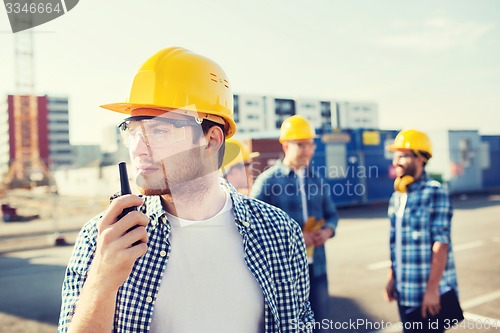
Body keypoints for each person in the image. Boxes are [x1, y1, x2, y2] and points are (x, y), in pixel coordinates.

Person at [58, 47, 314, 333]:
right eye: (132, 131)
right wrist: (102, 280)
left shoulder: (279, 233)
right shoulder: (102, 239)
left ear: (212, 139)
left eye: (158, 131)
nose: (138, 149)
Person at [250, 115, 339, 329]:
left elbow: (332, 215)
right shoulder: (267, 181)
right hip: (283, 272)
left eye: (310, 144)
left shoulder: (317, 179)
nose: (308, 150)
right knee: (287, 326)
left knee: (319, 324)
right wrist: (295, 237)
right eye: (301, 145)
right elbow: (250, 225)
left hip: (316, 267)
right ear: (285, 145)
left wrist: (327, 231)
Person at [385, 129, 459, 333]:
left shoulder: (435, 192)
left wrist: (432, 290)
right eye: (395, 155)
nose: (395, 161)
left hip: (426, 294)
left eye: (402, 155)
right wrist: (392, 277)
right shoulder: (397, 196)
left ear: (419, 158)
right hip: (404, 290)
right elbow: (395, 242)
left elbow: (441, 244)